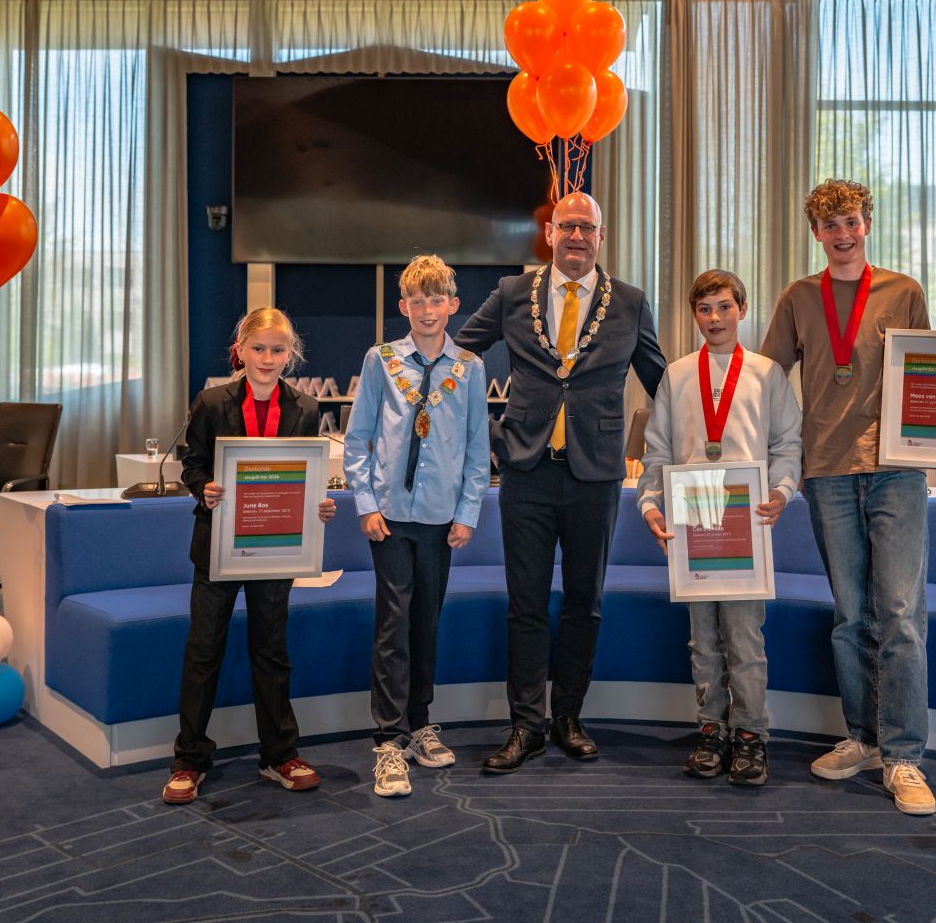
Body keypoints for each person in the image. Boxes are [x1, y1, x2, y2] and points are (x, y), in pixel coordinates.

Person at [759, 180, 936, 816]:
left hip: (897, 472)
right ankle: (863, 737)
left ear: (866, 223)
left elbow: (932, 376)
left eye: (850, 221)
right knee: (851, 615)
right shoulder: (799, 297)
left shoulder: (902, 291)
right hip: (825, 472)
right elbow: (769, 382)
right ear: (817, 234)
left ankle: (904, 755)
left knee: (902, 613)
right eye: (829, 226)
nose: (842, 234)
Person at [456, 191, 667, 773]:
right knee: (524, 606)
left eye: (587, 228)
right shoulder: (509, 294)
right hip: (524, 472)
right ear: (550, 234)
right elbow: (457, 357)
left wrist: (711, 446)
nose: (576, 236)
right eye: (566, 226)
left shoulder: (629, 302)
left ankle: (568, 717)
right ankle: (525, 725)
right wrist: (404, 375)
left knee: (584, 604)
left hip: (596, 475)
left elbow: (663, 384)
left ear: (602, 236)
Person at [164, 307, 338, 804]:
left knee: (271, 651)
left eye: (278, 350)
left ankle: (279, 754)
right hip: (218, 546)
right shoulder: (213, 402)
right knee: (204, 650)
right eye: (258, 348)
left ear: (291, 354)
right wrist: (206, 489)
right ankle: (190, 759)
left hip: (276, 548)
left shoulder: (304, 408)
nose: (268, 358)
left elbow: (303, 478)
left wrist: (316, 507)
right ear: (240, 350)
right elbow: (191, 466)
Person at [637, 270, 802, 786]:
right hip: (693, 524)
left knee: (745, 639)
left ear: (742, 310)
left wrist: (780, 493)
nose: (714, 318)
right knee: (703, 640)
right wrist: (649, 504)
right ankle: (711, 729)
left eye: (724, 307)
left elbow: (787, 446)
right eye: (705, 309)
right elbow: (659, 450)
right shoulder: (677, 375)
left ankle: (751, 735)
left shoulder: (767, 373)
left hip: (746, 525)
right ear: (694, 315)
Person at [343, 255, 491, 798]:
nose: (427, 310)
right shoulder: (381, 360)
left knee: (427, 619)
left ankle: (420, 721)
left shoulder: (470, 368)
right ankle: (388, 738)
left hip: (439, 519)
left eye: (437, 300)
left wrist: (468, 513)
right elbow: (357, 440)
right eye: (417, 301)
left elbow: (478, 450)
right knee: (393, 622)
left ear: (453, 306)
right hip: (389, 515)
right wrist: (366, 503)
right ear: (402, 306)